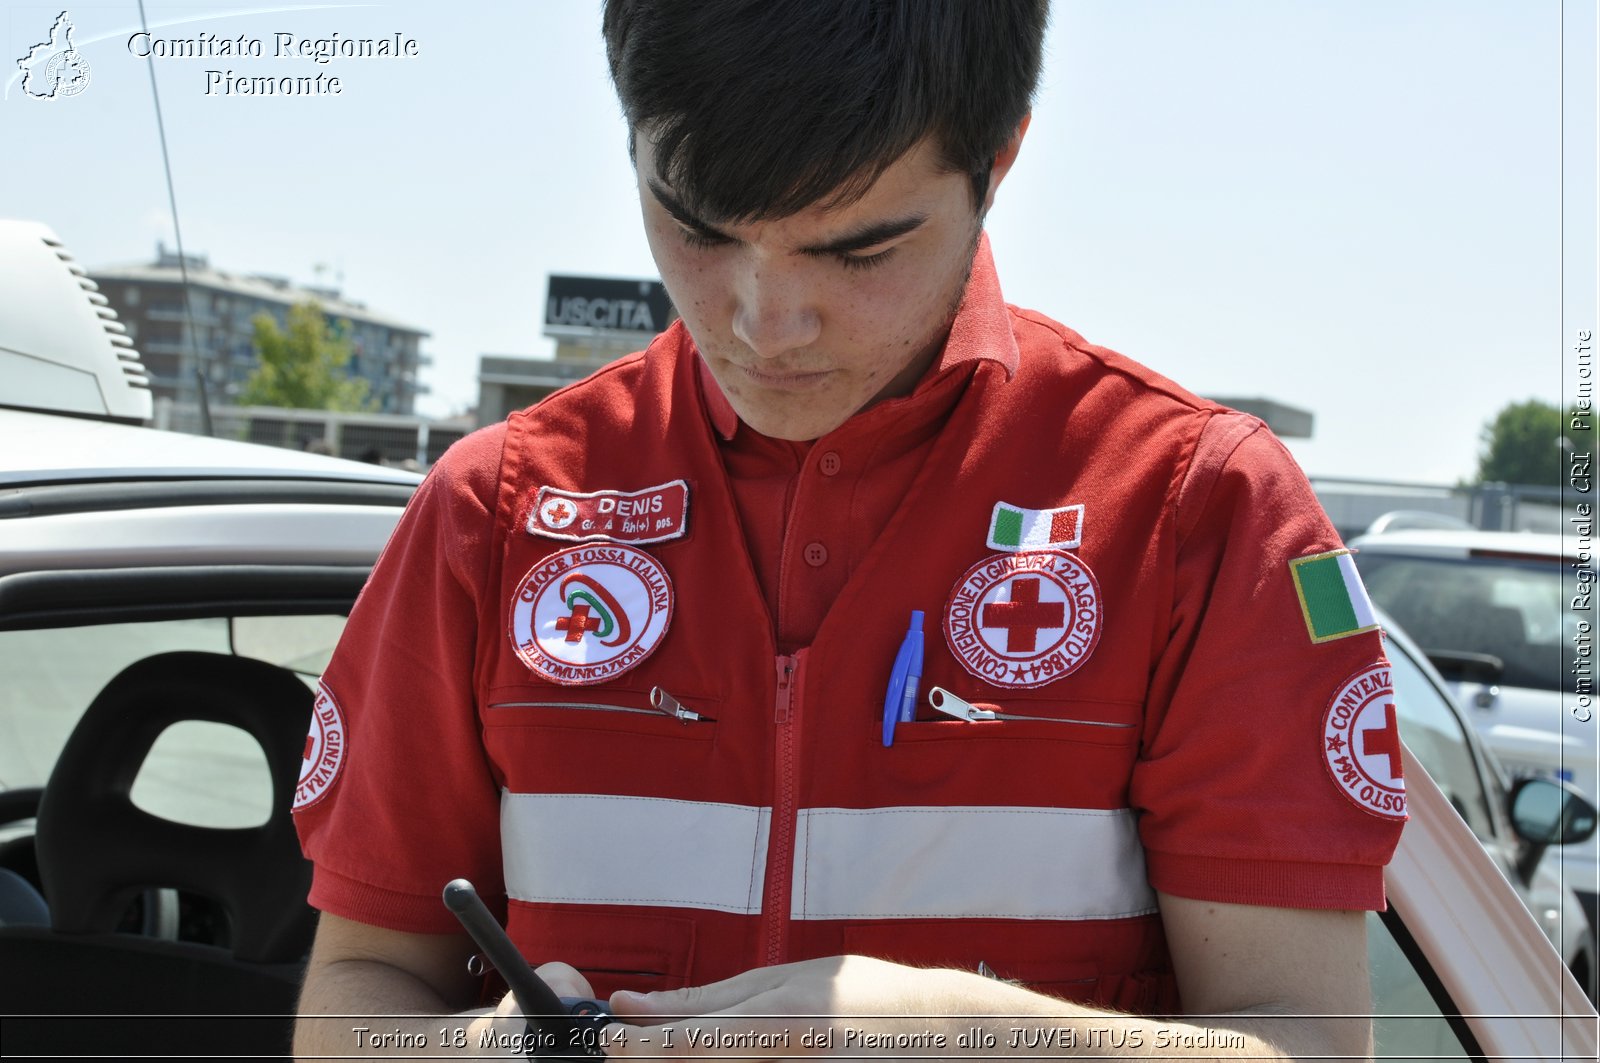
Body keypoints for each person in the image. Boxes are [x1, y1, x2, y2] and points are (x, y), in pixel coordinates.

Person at [293, 2, 1405, 1058]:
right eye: (695, 227)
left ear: (999, 160)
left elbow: (1304, 1038)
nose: (763, 322)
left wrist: (979, 1039)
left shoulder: (1196, 511)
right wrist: (491, 1051)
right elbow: (352, 1008)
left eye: (858, 250)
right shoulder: (496, 509)